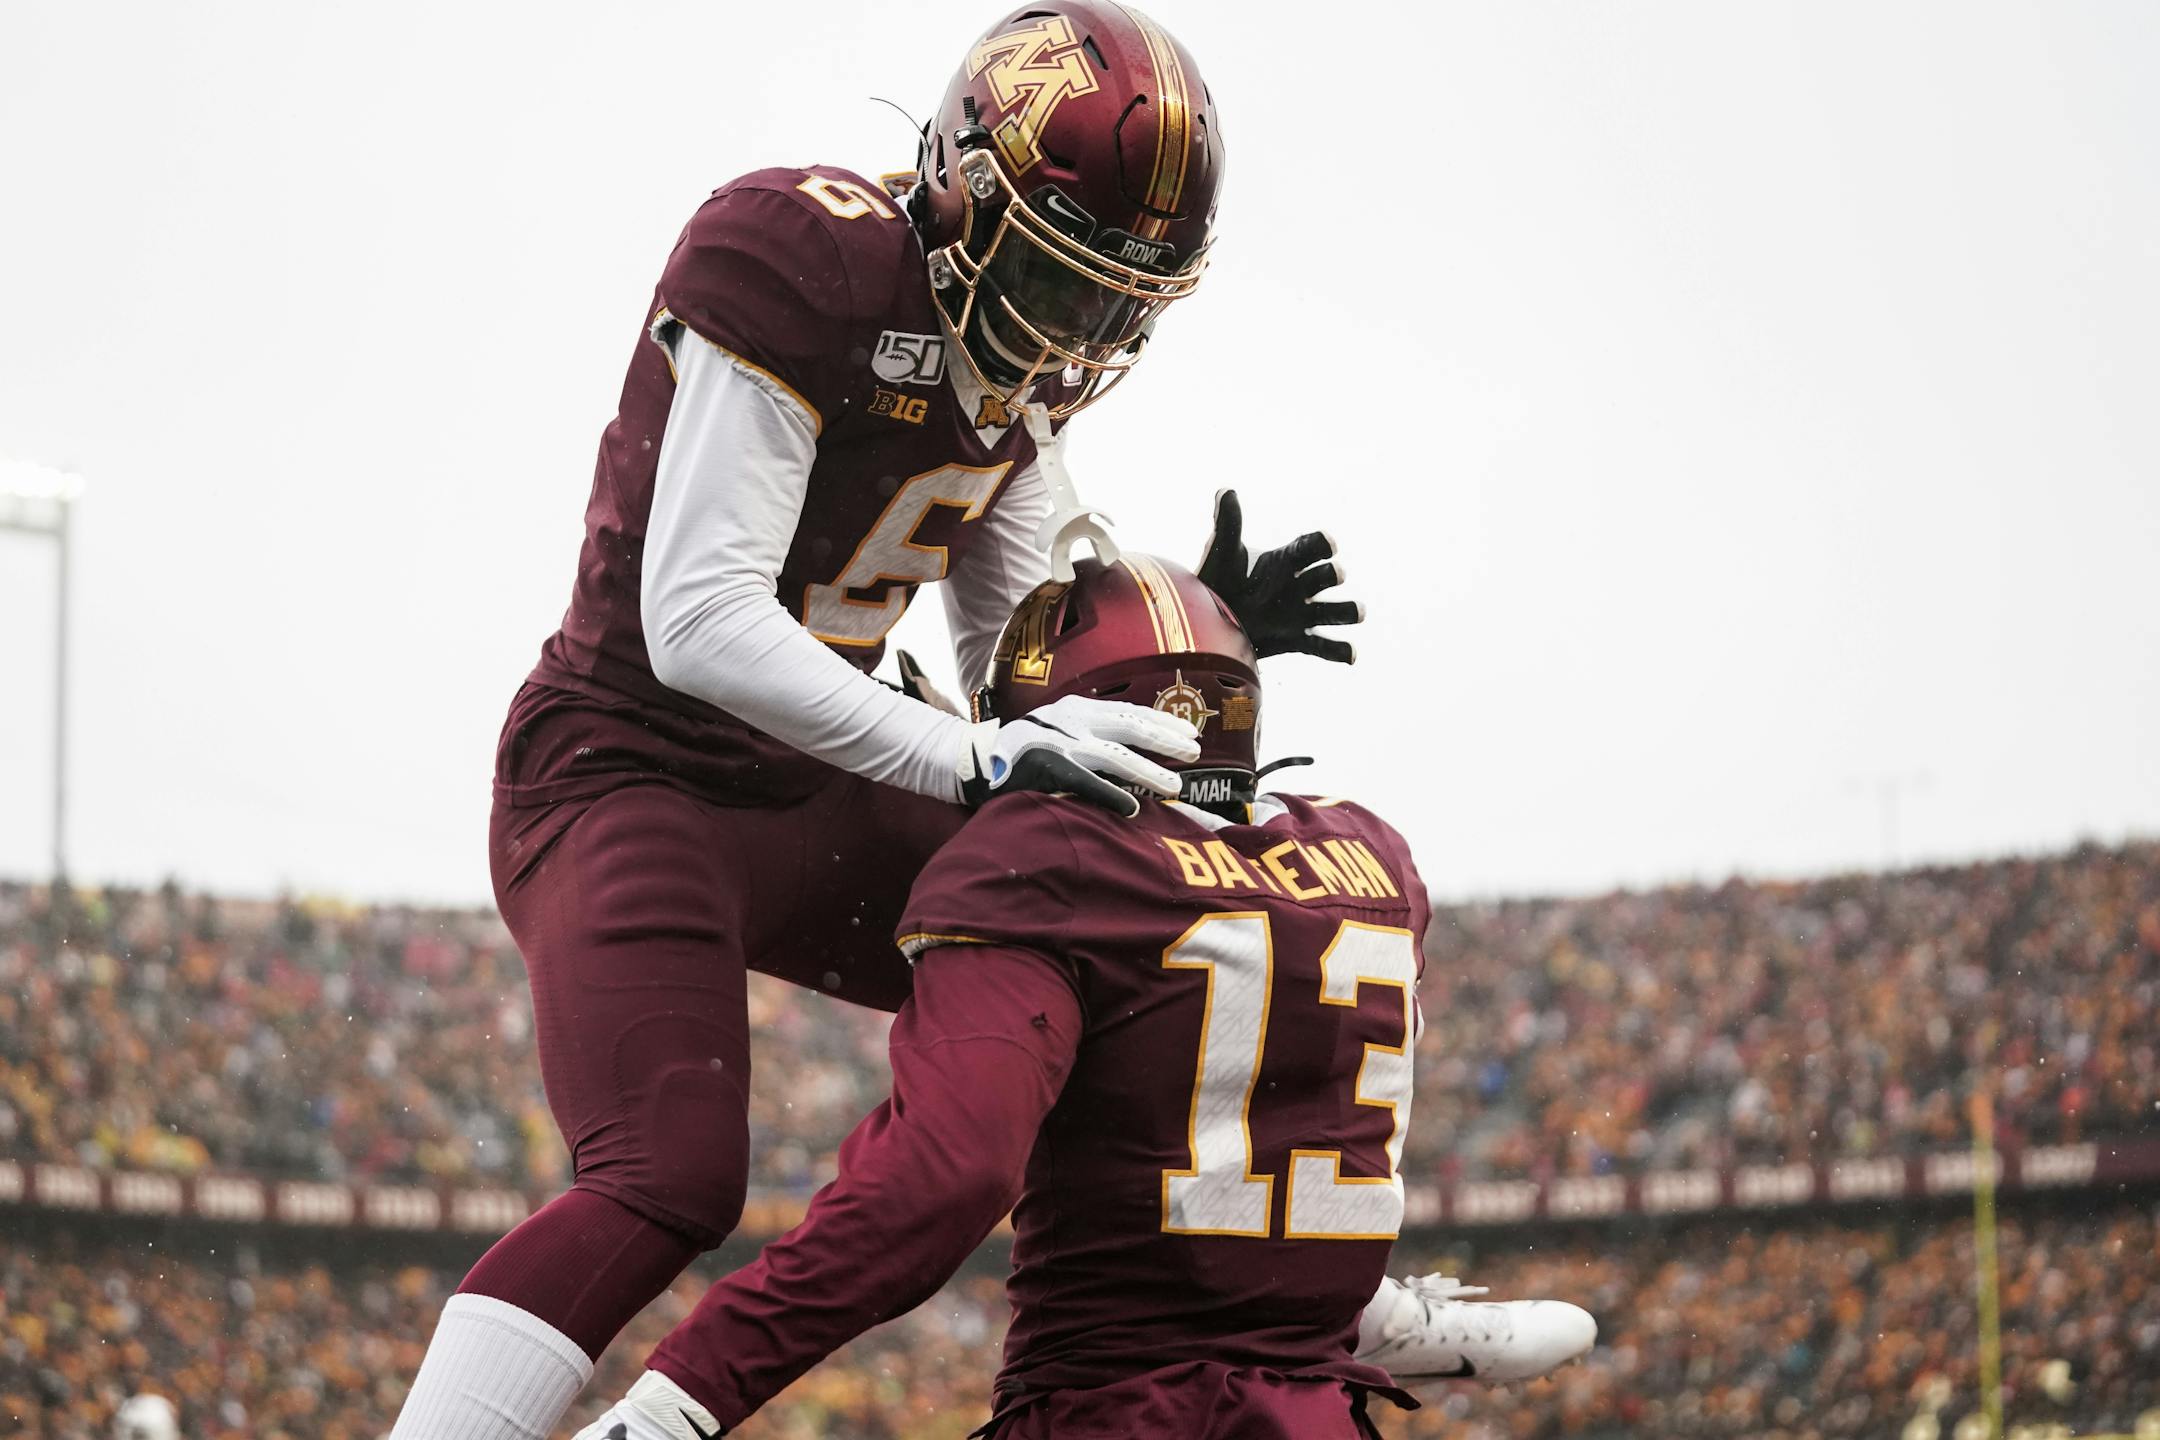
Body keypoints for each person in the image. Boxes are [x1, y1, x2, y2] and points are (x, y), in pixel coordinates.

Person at [386, 6, 1365, 1438]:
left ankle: (1318, 1293)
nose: (1073, 331)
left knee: (1140, 938)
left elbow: (1022, 671)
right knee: (668, 1173)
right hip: (628, 769)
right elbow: (702, 620)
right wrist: (972, 760)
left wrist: (1182, 633)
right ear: (962, 185)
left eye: (1109, 303)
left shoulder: (1013, 393)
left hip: (815, 785)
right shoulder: (808, 258)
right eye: (1054, 278)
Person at [578, 555, 1595, 1440]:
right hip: (1310, 1407)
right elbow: (1237, 1094)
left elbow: (942, 1180)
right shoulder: (1371, 854)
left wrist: (684, 1396)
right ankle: (1367, 1311)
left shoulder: (1046, 857)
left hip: (1118, 1408)